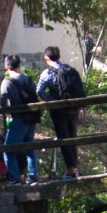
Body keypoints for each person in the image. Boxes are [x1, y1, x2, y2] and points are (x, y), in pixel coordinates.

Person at [36, 44, 85, 179]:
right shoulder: (70, 70)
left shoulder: (48, 73)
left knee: (63, 140)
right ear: (59, 56)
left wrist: (52, 101)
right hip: (73, 109)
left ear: (47, 58)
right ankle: (75, 169)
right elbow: (79, 90)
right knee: (72, 138)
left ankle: (71, 171)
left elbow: (39, 91)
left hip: (59, 111)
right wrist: (81, 108)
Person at [0, 53, 39, 185]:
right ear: (19, 66)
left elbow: (3, 102)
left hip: (18, 118)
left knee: (8, 149)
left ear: (6, 67)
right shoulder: (28, 79)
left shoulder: (6, 82)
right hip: (31, 117)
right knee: (29, 147)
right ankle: (33, 177)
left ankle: (15, 178)